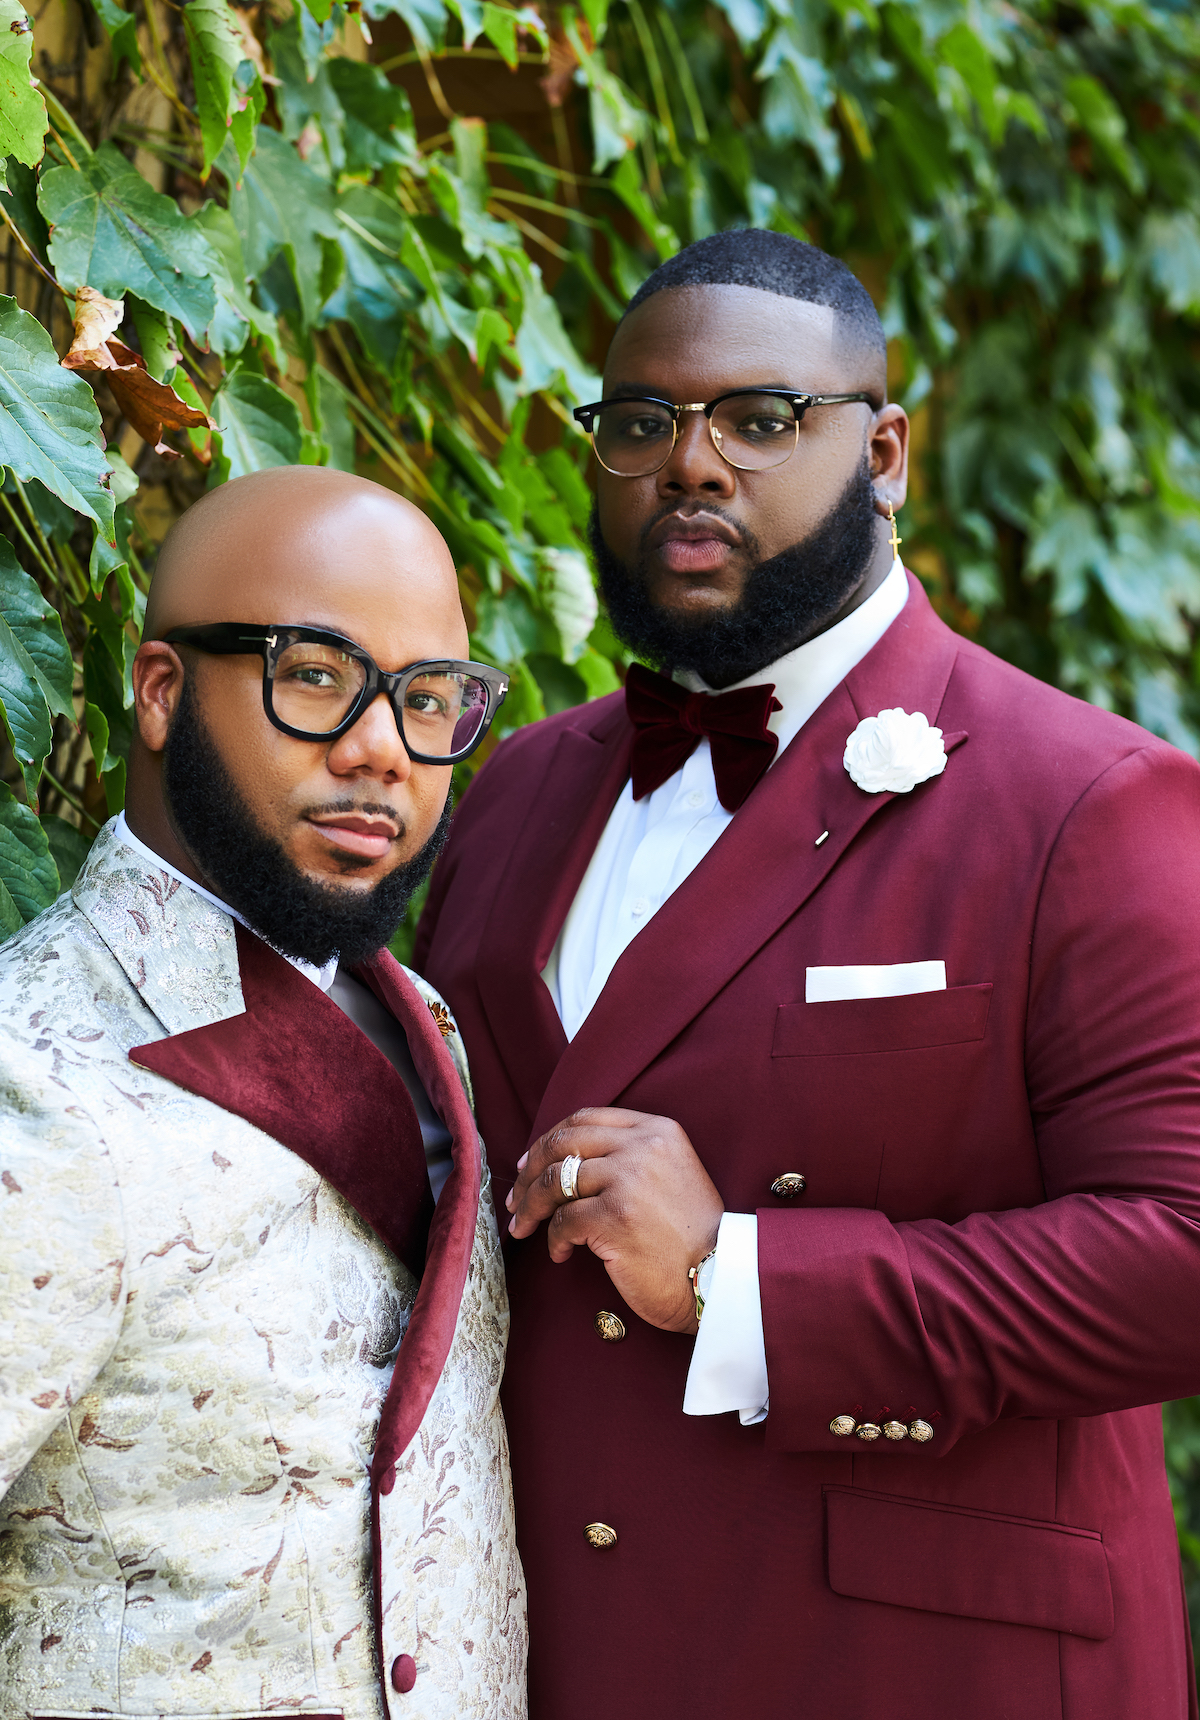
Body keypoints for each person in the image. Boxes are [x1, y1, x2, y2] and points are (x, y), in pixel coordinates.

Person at [414, 230, 1200, 1718]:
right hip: (555, 1664)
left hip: (922, 1673)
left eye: (762, 419)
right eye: (640, 421)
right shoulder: (510, 794)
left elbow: (1182, 1251)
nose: (688, 464)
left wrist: (740, 1282)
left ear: (884, 454)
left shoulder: (1088, 803)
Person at [0, 467, 526, 1720]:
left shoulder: (427, 1021)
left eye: (427, 699)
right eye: (317, 677)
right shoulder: (34, 1073)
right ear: (162, 692)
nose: (382, 749)